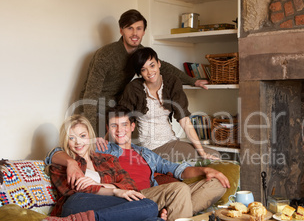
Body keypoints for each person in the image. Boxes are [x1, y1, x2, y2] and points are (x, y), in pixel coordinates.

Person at [45, 106, 230, 221]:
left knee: (218, 184)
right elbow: (54, 153)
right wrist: (71, 163)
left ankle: (167, 213)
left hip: (155, 195)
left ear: (132, 127)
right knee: (178, 190)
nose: (120, 130)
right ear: (108, 129)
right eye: (114, 126)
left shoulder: (146, 153)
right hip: (130, 196)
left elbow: (176, 169)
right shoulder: (102, 149)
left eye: (124, 125)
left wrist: (206, 169)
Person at [36, 115, 165, 221]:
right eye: (71, 138)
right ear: (66, 140)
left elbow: (130, 185)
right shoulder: (63, 163)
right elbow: (80, 189)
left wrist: (104, 186)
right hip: (75, 206)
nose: (78, 142)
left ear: (90, 136)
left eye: (82, 136)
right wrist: (115, 191)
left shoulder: (108, 159)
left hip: (106, 209)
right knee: (150, 206)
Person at [78, 9, 208, 135]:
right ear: (121, 30)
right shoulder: (106, 55)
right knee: (104, 149)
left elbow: (164, 67)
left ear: (144, 31)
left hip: (121, 106)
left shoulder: (140, 52)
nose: (135, 33)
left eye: (139, 28)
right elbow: (91, 94)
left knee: (137, 140)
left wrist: (193, 81)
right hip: (97, 109)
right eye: (130, 28)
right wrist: (91, 131)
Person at [119, 47, 219, 162]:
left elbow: (184, 119)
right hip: (151, 148)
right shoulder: (134, 88)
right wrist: (110, 145)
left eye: (152, 66)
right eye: (143, 69)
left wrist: (202, 152)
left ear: (159, 64)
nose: (150, 72)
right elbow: (121, 119)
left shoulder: (171, 82)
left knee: (211, 155)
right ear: (139, 73)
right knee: (213, 157)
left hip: (171, 141)